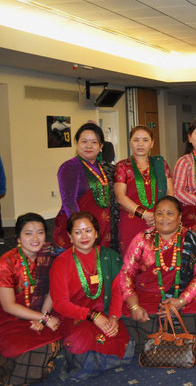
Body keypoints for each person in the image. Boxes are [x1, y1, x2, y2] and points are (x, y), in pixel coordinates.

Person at [119, 196, 196, 352]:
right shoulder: (142, 239)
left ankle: (184, 345)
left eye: (169, 213)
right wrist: (134, 306)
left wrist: (182, 300)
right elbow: (127, 272)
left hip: (183, 293)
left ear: (179, 217)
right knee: (131, 308)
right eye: (159, 213)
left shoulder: (191, 239)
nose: (164, 218)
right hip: (148, 292)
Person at [50, 212, 132, 380]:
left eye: (88, 230)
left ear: (96, 233)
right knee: (82, 337)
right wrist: (92, 316)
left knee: (120, 338)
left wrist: (114, 317)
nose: (84, 236)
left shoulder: (109, 257)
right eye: (78, 232)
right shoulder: (61, 262)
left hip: (105, 312)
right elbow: (60, 303)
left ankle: (89, 364)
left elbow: (117, 292)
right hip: (73, 316)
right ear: (70, 237)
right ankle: (87, 364)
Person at [0, 213, 60, 384]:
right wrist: (43, 318)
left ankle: (14, 371)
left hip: (41, 312)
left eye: (40, 232)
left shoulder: (50, 256)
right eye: (28, 233)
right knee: (32, 349)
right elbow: (9, 306)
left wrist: (43, 316)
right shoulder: (6, 263)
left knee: (53, 342)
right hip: (11, 319)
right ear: (18, 237)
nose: (35, 238)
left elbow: (52, 293)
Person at [53, 123, 116, 250]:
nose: (89, 146)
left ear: (101, 146)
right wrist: (82, 230)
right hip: (81, 230)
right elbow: (69, 201)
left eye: (94, 142)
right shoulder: (70, 167)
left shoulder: (104, 167)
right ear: (77, 143)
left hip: (102, 229)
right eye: (84, 141)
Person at [114, 125, 173, 256]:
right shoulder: (122, 166)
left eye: (145, 140)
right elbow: (120, 197)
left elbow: (170, 194)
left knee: (160, 262)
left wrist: (160, 215)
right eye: (136, 140)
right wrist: (145, 214)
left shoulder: (160, 164)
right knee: (132, 264)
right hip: (132, 221)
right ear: (130, 142)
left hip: (160, 221)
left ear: (152, 143)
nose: (140, 144)